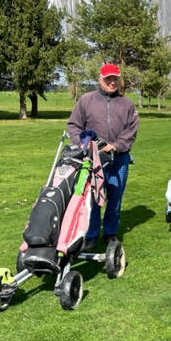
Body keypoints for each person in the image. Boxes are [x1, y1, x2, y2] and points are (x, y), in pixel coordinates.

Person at [67, 63, 139, 249]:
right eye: (108, 79)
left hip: (118, 158)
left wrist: (115, 145)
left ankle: (110, 233)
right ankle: (91, 235)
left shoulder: (127, 104)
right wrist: (83, 144)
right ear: (100, 80)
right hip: (93, 159)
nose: (112, 82)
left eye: (115, 79)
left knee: (115, 197)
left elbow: (131, 130)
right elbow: (74, 126)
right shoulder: (86, 100)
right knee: (93, 198)